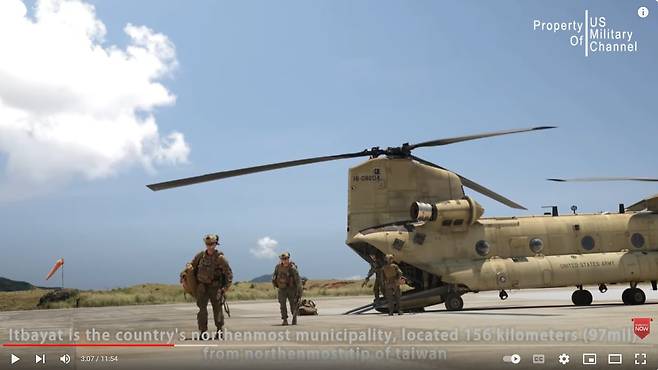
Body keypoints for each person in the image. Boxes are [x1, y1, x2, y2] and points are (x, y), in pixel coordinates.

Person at [190, 234, 233, 339]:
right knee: (202, 311)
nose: (209, 246)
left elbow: (229, 273)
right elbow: (192, 265)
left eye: (211, 244)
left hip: (215, 287)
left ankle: (219, 330)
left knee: (217, 309)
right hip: (202, 288)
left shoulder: (220, 258)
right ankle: (203, 331)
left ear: (215, 244)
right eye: (207, 244)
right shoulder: (200, 256)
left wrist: (225, 288)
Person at [272, 252, 302, 325]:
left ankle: (294, 317)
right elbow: (274, 276)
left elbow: (298, 281)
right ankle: (284, 319)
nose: (285, 260)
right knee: (282, 305)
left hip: (291, 289)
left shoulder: (293, 268)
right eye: (283, 259)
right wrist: (275, 283)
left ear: (288, 259)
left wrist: (299, 292)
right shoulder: (278, 267)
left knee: (293, 305)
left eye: (286, 259)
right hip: (282, 289)